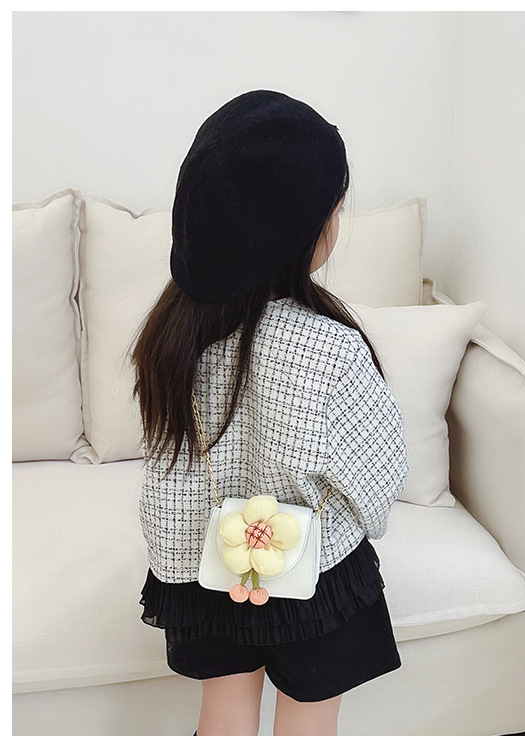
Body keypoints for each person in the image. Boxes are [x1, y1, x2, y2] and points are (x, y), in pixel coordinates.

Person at [130, 90, 408, 736]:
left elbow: (164, 465)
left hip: (202, 565)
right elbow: (378, 479)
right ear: (305, 232)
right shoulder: (331, 348)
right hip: (313, 570)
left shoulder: (170, 337)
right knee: (308, 726)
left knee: (223, 717)